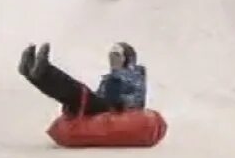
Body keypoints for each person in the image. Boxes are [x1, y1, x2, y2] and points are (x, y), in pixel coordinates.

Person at [18, 42, 146, 117]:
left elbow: (136, 100)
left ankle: (45, 70)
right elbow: (101, 96)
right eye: (111, 57)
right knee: (68, 96)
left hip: (114, 110)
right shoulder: (110, 78)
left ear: (127, 59)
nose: (113, 61)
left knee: (77, 91)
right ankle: (35, 75)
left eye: (117, 57)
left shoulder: (134, 75)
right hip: (103, 107)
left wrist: (121, 100)